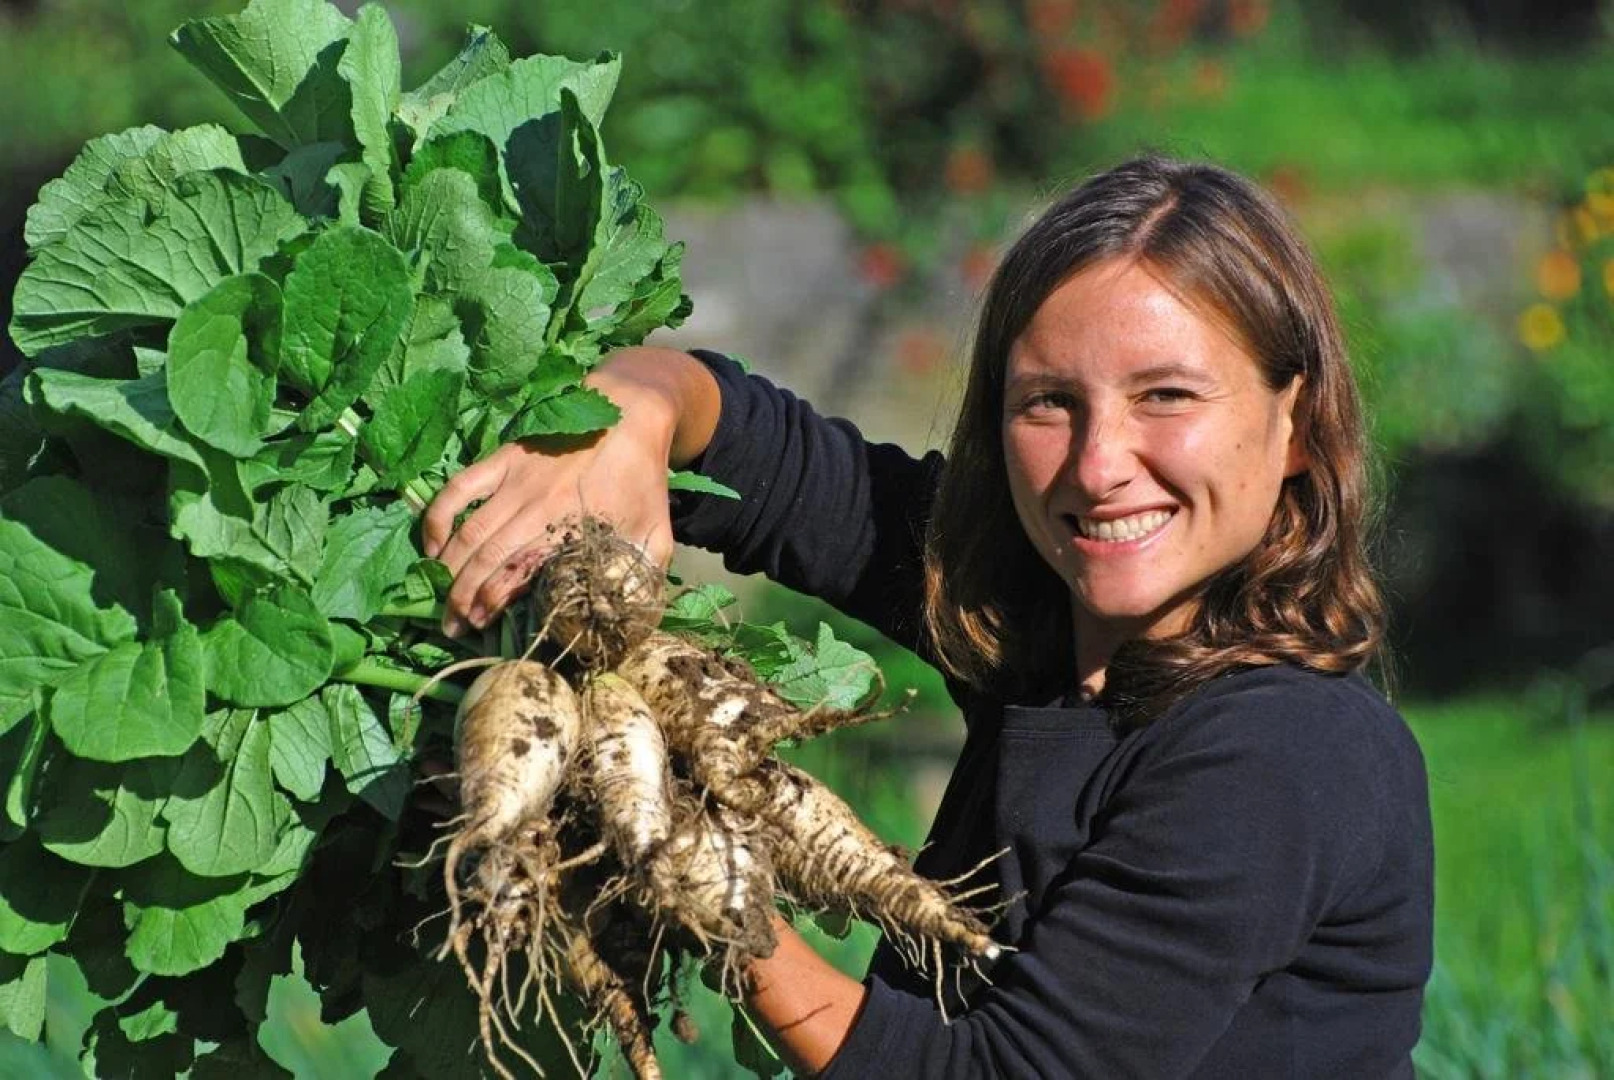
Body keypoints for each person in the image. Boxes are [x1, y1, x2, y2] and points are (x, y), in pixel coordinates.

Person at [422, 154, 1434, 1078]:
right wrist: (628, 410)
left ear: (1295, 422)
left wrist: (707, 874)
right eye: (1048, 402)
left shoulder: (1288, 753)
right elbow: (764, 457)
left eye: (1166, 395)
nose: (1097, 465)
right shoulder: (1035, 618)